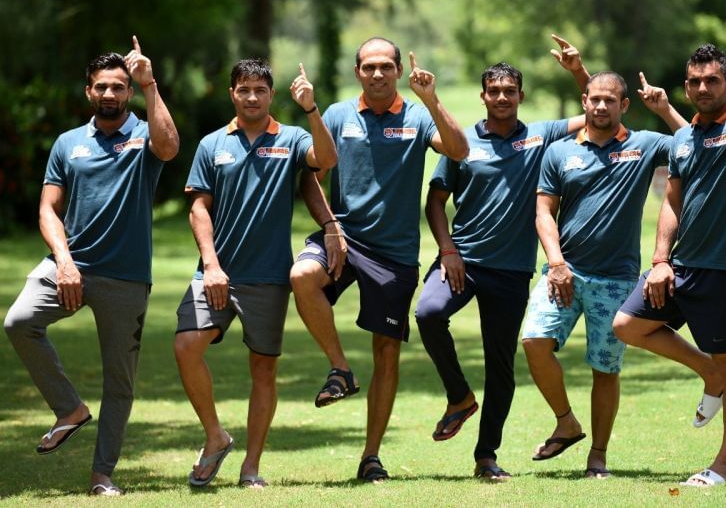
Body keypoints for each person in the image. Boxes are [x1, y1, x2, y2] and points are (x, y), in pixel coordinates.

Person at [613, 13, 726, 487]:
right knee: (627, 325)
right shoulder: (683, 139)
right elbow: (672, 201)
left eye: (712, 81)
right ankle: (707, 373)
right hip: (680, 268)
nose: (702, 88)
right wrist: (659, 261)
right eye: (694, 82)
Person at [3, 37, 179, 496]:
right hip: (70, 265)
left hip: (125, 277)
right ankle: (69, 409)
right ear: (88, 91)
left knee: (119, 381)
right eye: (102, 86)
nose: (110, 95)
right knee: (19, 321)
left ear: (128, 92)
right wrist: (64, 261)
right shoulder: (67, 144)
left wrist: (150, 84)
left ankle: (102, 475)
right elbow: (47, 210)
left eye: (119, 87)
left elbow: (171, 147)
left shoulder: (143, 134)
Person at [289, 37, 468, 482]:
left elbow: (459, 150)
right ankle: (340, 369)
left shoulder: (418, 116)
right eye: (368, 67)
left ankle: (371, 457)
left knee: (386, 351)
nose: (377, 73)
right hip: (343, 238)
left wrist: (432, 99)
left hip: (394, 254)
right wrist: (330, 226)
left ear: (398, 71)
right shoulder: (335, 115)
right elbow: (311, 177)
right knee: (302, 275)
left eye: (386, 66)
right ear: (357, 73)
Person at [414, 36, 590, 482]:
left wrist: (577, 72)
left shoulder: (539, 137)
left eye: (510, 91)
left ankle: (486, 456)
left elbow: (597, 110)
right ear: (483, 96)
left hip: (511, 271)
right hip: (463, 262)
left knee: (500, 364)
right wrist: (448, 251)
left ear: (520, 96)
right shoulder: (461, 141)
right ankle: (459, 398)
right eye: (494, 91)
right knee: (428, 312)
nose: (502, 98)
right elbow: (434, 203)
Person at [173, 59, 336, 488]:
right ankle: (216, 436)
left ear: (271, 94)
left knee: (263, 370)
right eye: (243, 89)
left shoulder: (293, 137)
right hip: (216, 272)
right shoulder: (212, 145)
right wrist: (210, 264)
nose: (251, 97)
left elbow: (327, 159)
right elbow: (198, 208)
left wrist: (311, 109)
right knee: (187, 346)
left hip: (268, 277)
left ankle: (251, 468)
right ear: (232, 94)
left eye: (260, 90)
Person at [521, 70, 687, 479]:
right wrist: (556, 263)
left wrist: (665, 109)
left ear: (623, 105)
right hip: (565, 271)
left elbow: (694, 144)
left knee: (605, 369)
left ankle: (598, 456)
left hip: (616, 279)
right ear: (584, 101)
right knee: (534, 342)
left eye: (609, 100)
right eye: (594, 99)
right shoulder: (559, 153)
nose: (600, 106)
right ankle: (566, 421)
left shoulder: (645, 145)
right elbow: (544, 212)